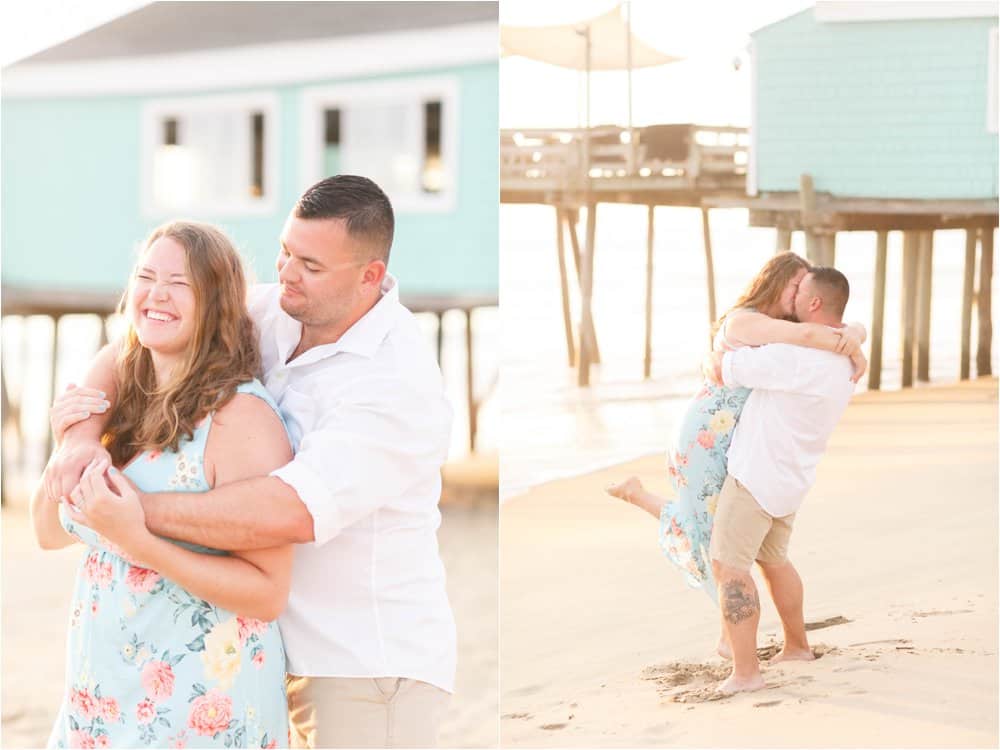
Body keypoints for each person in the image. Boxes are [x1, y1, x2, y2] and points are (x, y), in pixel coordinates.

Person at [45, 176, 456, 749]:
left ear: (370, 276)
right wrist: (82, 439)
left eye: (310, 265)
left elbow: (288, 510)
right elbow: (139, 338)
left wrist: (128, 512)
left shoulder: (396, 385)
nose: (286, 273)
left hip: (362, 665)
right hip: (261, 648)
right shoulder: (281, 306)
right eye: (286, 251)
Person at [32, 221, 294, 748]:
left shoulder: (240, 419)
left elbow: (268, 593)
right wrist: (71, 443)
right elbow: (47, 530)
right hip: (100, 700)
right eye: (146, 276)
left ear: (216, 302)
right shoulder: (118, 399)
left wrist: (141, 542)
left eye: (180, 282)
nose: (156, 293)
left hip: (200, 707)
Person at [606, 252, 866, 656]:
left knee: (720, 539)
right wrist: (851, 342)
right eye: (795, 285)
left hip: (739, 440)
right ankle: (731, 638)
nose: (799, 294)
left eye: (805, 289)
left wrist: (855, 335)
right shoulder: (747, 321)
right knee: (712, 538)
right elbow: (811, 336)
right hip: (709, 433)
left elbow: (821, 330)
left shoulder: (790, 332)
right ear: (776, 283)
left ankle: (737, 640)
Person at [702, 266, 857, 693]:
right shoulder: (845, 360)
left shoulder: (792, 357)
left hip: (756, 475)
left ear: (813, 303)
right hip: (792, 479)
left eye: (798, 295)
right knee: (774, 561)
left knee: (729, 569)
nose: (791, 306)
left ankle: (746, 672)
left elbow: (723, 367)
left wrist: (716, 356)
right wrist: (855, 336)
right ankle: (797, 646)